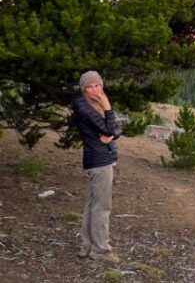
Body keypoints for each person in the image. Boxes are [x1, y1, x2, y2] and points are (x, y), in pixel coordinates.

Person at [72, 70, 122, 264]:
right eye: (90, 86)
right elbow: (109, 127)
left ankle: (87, 246)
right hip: (100, 162)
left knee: (93, 204)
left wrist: (113, 133)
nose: (95, 90)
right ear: (84, 89)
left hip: (99, 159)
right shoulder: (86, 109)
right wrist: (108, 107)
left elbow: (115, 128)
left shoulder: (92, 106)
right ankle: (100, 250)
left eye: (97, 85)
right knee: (102, 206)